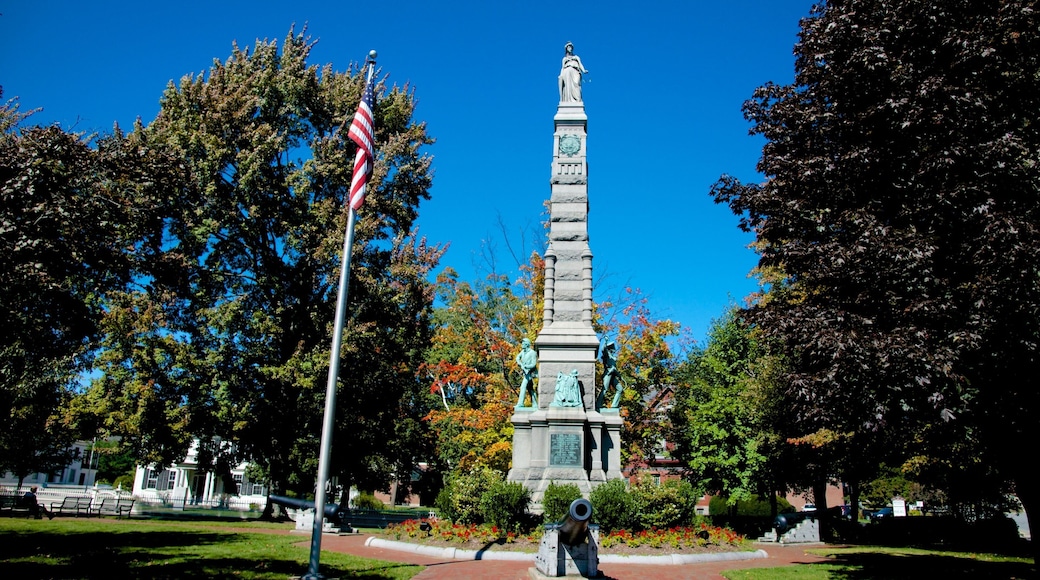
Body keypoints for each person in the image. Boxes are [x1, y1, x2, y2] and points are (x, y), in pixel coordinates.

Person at [598, 340, 622, 409]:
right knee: (604, 389)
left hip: (613, 375)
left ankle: (614, 406)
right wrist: (605, 341)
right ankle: (598, 405)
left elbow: (614, 368)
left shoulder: (613, 358)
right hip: (608, 374)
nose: (614, 349)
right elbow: (603, 349)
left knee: (620, 389)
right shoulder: (607, 355)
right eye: (612, 348)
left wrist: (619, 376)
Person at [514, 338, 538, 407]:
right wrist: (520, 364)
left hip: (530, 373)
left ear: (527, 344)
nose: (522, 345)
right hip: (525, 373)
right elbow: (517, 358)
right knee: (530, 389)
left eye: (523, 343)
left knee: (523, 387)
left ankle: (520, 403)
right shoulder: (522, 351)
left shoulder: (532, 353)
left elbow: (533, 364)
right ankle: (535, 404)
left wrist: (526, 366)